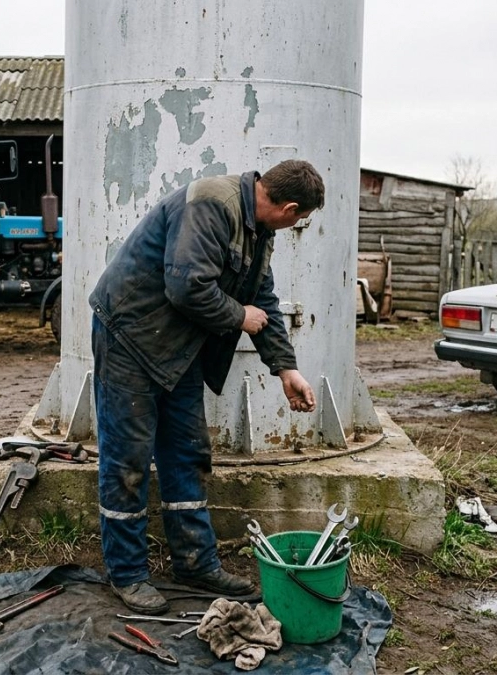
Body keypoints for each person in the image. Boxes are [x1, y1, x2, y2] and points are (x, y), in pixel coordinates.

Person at [89, 159, 324, 614]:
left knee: (187, 451)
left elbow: (263, 300)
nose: (298, 225)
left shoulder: (258, 228)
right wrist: (239, 316)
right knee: (128, 459)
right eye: (302, 218)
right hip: (131, 336)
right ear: (290, 207)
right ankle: (128, 573)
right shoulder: (210, 203)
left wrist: (285, 369)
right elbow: (186, 286)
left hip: (176, 346)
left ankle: (195, 562)